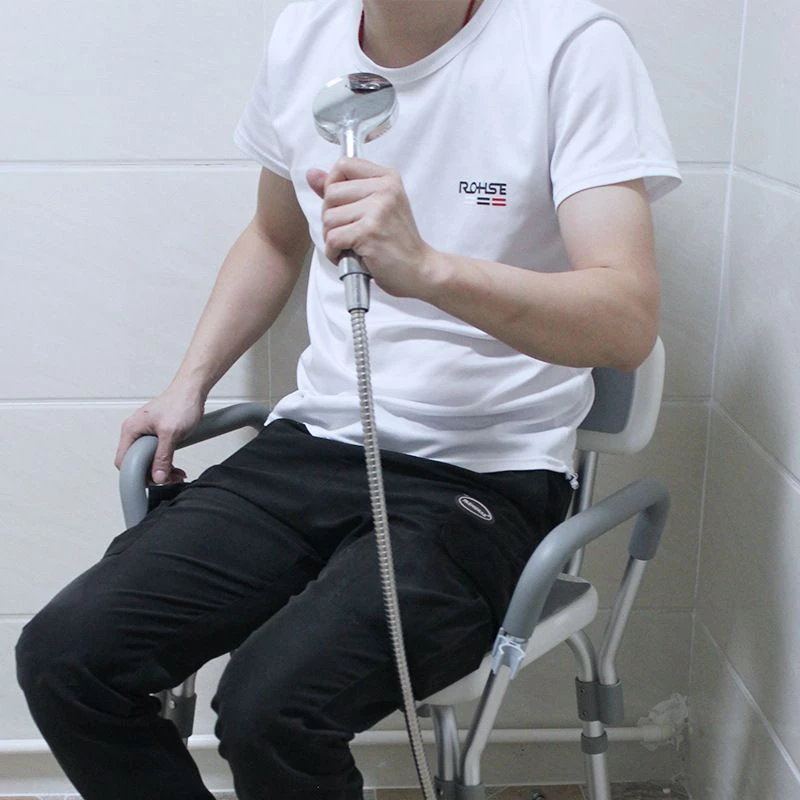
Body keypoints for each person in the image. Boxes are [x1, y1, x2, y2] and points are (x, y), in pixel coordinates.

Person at [16, 1, 681, 798]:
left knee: (271, 711)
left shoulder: (570, 47)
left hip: (481, 479)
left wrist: (429, 269)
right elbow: (273, 237)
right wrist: (188, 384)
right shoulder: (308, 33)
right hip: (313, 448)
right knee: (67, 658)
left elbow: (625, 321)